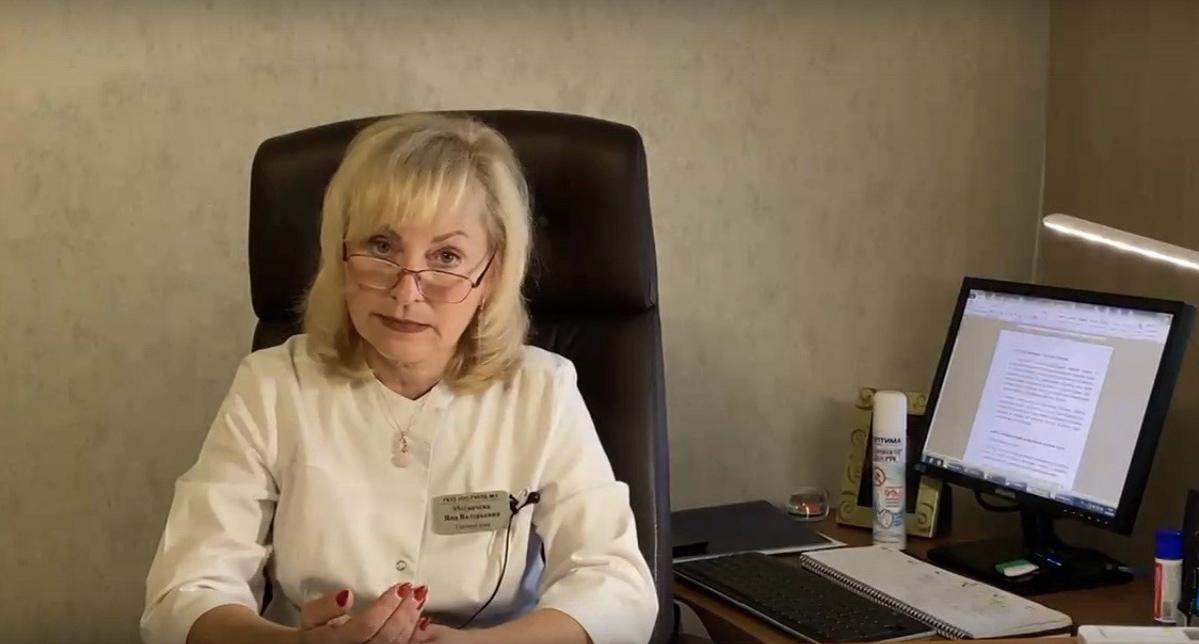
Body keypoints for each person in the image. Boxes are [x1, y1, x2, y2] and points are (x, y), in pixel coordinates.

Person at [141, 113, 658, 644]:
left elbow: (618, 589)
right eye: (381, 247)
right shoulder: (273, 386)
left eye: (447, 256)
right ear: (340, 254)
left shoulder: (542, 391)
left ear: (492, 273)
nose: (406, 292)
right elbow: (184, 592)